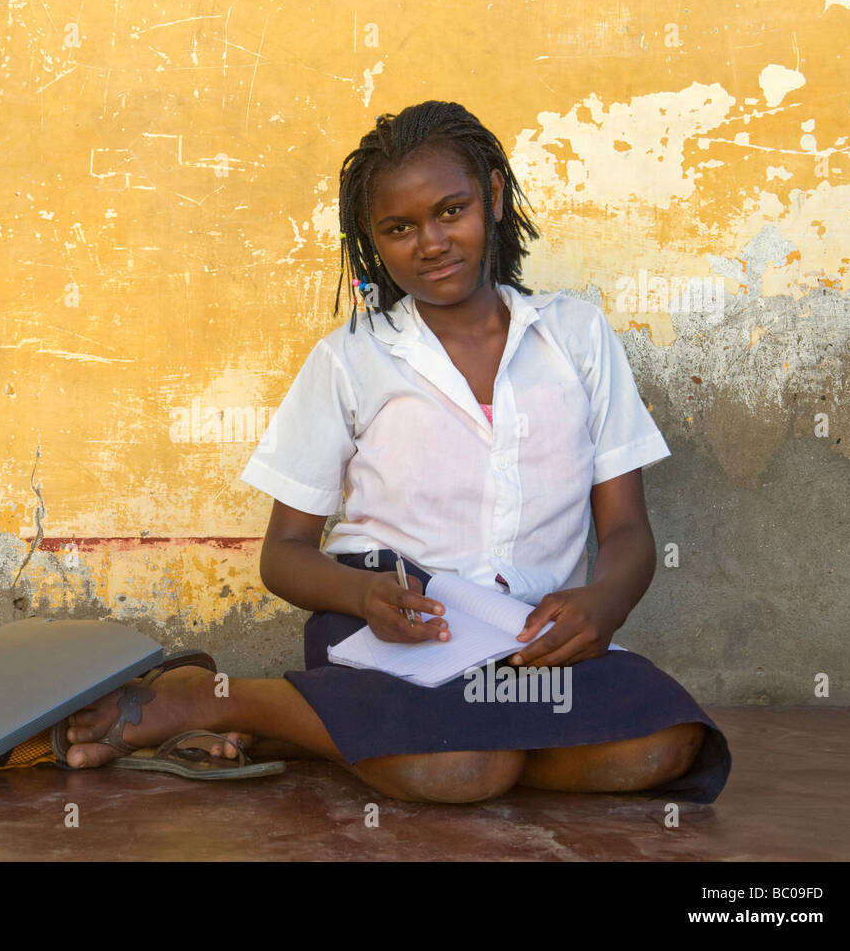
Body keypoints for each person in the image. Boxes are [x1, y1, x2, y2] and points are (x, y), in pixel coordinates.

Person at [56, 101, 730, 803]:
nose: (431, 243)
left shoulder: (577, 337)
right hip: (388, 625)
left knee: (666, 742)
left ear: (494, 197)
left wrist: (604, 602)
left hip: (526, 646)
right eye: (399, 229)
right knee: (460, 769)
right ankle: (214, 700)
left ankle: (346, 732)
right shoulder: (351, 359)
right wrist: (361, 594)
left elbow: (625, 529)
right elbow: (283, 552)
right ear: (372, 240)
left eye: (451, 210)